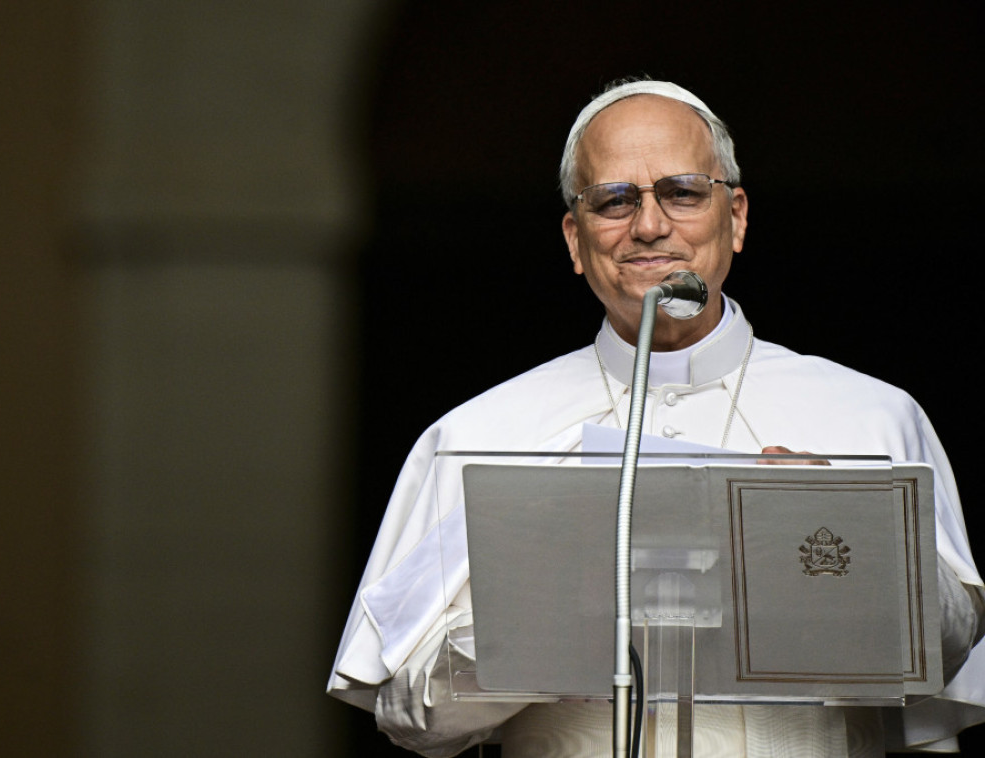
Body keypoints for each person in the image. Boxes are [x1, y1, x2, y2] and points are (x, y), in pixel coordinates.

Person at [328, 78, 985, 757]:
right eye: (613, 200)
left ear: (735, 217)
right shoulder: (476, 435)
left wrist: (851, 533)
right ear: (575, 240)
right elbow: (408, 714)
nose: (648, 226)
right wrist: (544, 612)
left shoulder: (872, 414)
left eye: (683, 193)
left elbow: (948, 650)